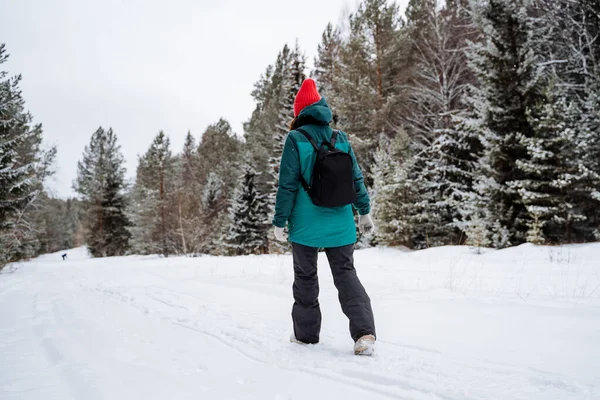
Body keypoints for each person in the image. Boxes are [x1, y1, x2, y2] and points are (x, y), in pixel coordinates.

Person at [272, 78, 377, 356]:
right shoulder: (339, 137)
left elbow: (288, 184)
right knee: (345, 274)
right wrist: (364, 211)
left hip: (305, 225)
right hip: (341, 222)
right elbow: (356, 177)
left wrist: (279, 221)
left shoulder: (295, 139)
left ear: (299, 112)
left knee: (306, 277)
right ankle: (364, 333)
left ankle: (306, 337)